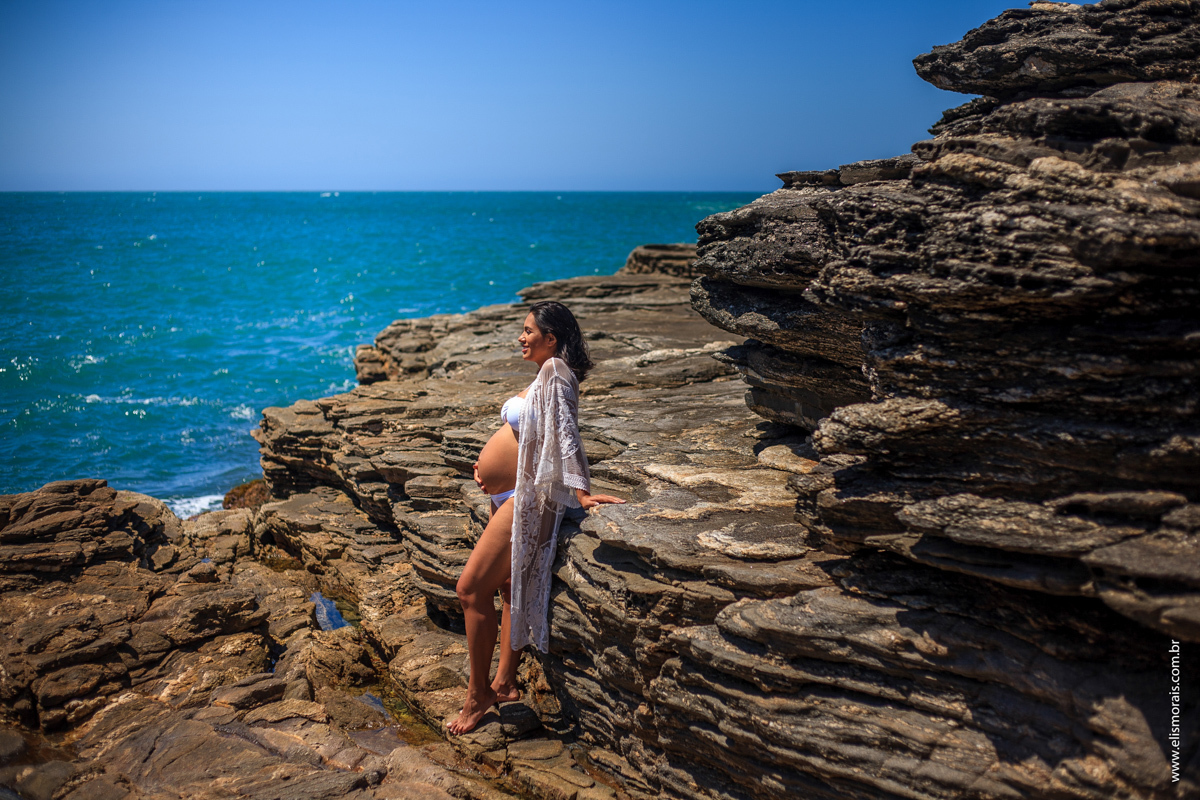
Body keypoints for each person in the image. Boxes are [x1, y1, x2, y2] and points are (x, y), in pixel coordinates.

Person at [447, 301, 625, 735]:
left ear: (553, 338)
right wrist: (490, 472)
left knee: (469, 589)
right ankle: (504, 683)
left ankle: (478, 695)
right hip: (510, 490)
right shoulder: (545, 374)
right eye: (522, 330)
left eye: (530, 331)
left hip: (532, 497)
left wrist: (581, 493)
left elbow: (567, 432)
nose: (521, 337)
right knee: (509, 586)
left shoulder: (556, 373)